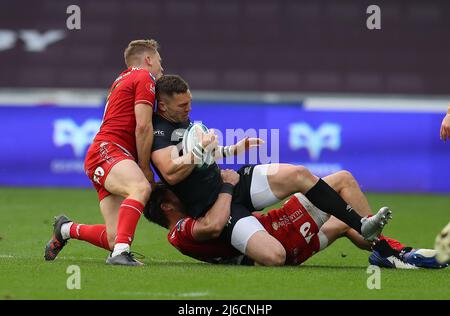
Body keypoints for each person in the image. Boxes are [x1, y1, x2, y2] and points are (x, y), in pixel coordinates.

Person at [150, 74, 391, 264]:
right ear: (163, 106)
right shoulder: (159, 135)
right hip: (217, 207)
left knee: (299, 174)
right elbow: (171, 171)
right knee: (274, 256)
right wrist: (202, 152)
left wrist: (231, 149)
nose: (188, 110)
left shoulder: (182, 119)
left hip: (234, 182)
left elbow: (203, 156)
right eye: (183, 105)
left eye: (190, 103)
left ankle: (362, 226)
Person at [144, 170, 448, 269]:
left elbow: (226, 230)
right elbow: (214, 225)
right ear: (167, 207)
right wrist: (228, 186)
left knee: (344, 223)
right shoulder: (181, 230)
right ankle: (392, 251)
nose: (180, 194)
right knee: (342, 180)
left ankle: (389, 254)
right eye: (173, 194)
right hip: (280, 235)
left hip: (282, 239)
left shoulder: (186, 224)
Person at [44, 39, 164, 266]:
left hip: (102, 154)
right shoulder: (144, 77)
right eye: (159, 60)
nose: (161, 67)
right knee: (139, 187)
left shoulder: (122, 78)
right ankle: (120, 254)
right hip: (110, 151)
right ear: (148, 59)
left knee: (113, 236)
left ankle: (67, 229)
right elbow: (143, 126)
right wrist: (145, 167)